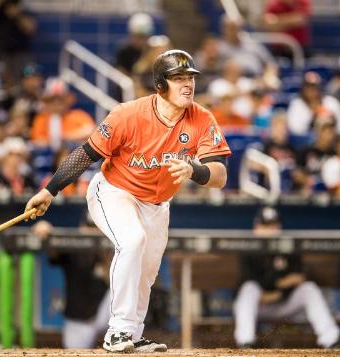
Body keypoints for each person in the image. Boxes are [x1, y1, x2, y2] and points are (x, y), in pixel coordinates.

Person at [24, 49, 231, 352]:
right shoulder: (128, 114)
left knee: (147, 271)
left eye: (190, 78)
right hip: (114, 191)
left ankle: (133, 334)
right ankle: (117, 331)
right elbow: (86, 154)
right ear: (160, 84)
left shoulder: (201, 118)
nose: (187, 84)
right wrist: (49, 191)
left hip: (157, 204)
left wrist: (194, 169)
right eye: (178, 78)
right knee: (132, 240)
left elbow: (220, 175)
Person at [233, 206, 340, 348]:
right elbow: (248, 283)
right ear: (256, 227)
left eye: (273, 225)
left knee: (309, 289)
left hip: (286, 305)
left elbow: (300, 277)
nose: (270, 230)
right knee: (249, 290)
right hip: (260, 307)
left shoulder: (289, 246)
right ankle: (245, 343)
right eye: (265, 226)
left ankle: (330, 340)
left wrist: (278, 291)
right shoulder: (249, 250)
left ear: (279, 226)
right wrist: (282, 283)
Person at [32, 213, 110, 348]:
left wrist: (104, 257)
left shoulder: (110, 249)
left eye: (97, 228)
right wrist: (46, 231)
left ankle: (124, 335)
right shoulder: (73, 249)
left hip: (105, 319)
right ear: (81, 227)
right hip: (79, 321)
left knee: (125, 288)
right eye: (89, 227)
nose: (92, 232)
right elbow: (54, 252)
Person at [0, 0, 37, 84]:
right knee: (0, 83)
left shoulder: (22, 6)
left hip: (21, 54)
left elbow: (31, 29)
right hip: (0, 54)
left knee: (24, 81)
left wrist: (17, 15)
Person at [31, 78, 96, 151]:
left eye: (60, 100)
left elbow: (91, 130)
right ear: (48, 103)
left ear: (67, 101)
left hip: (75, 155)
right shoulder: (42, 118)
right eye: (52, 101)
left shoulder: (78, 115)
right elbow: (37, 141)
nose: (57, 104)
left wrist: (65, 137)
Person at [287, 71, 340, 136]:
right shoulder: (297, 104)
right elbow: (295, 130)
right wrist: (314, 118)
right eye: (309, 87)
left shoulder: (331, 102)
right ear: (303, 88)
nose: (312, 91)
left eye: (314, 87)